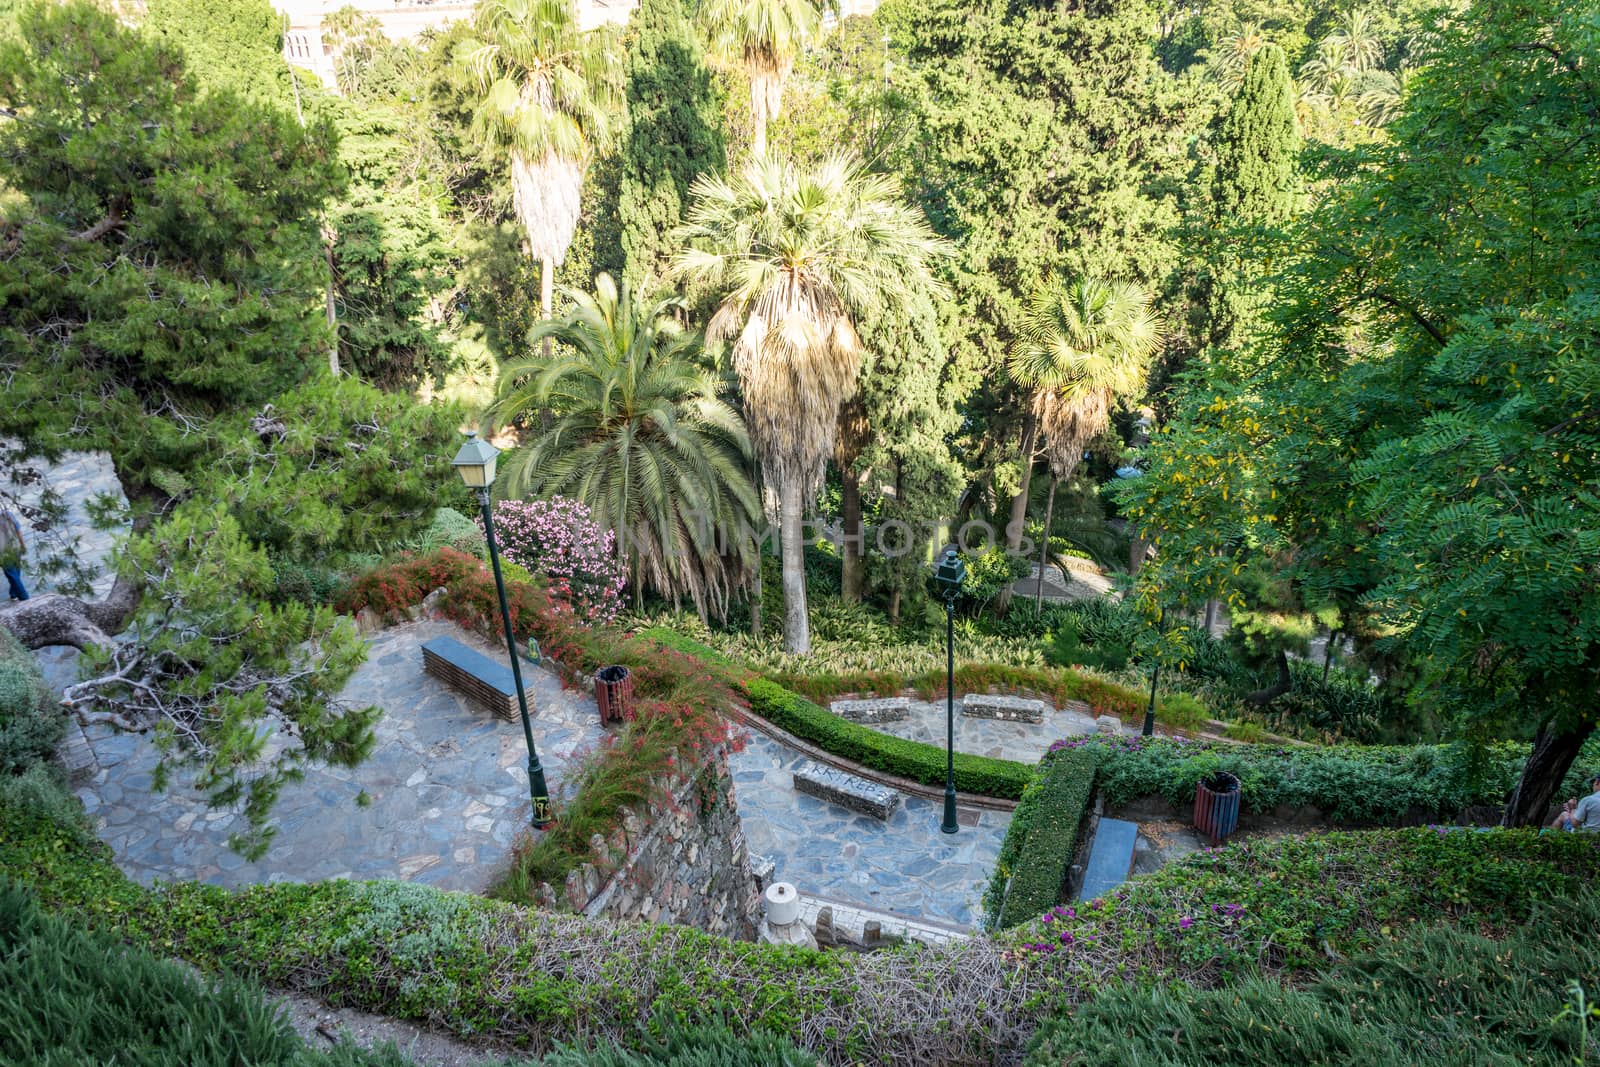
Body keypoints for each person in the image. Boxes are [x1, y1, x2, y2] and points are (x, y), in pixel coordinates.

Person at [0, 510, 26, 601]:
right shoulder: (9, 514)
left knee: (13, 576)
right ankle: (13, 594)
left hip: (3, 553)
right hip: (15, 548)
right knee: (16, 574)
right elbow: (18, 531)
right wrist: (22, 545)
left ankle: (25, 598)